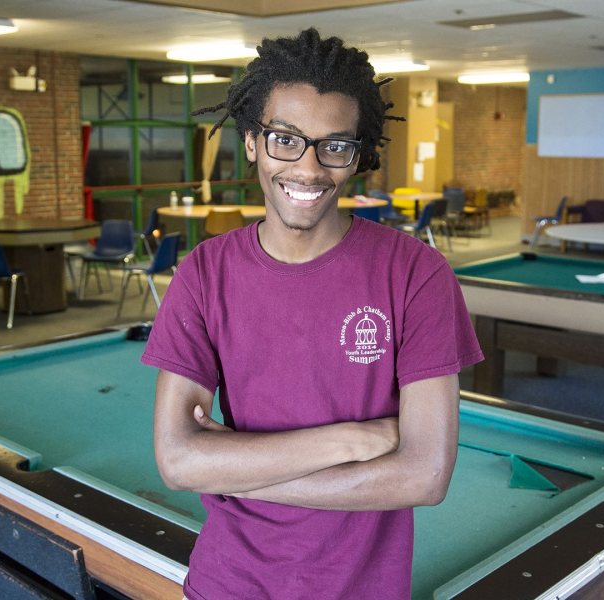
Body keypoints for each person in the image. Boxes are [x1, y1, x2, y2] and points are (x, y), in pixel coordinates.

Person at [142, 28, 482, 600]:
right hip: (226, 584)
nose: (308, 168)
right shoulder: (202, 274)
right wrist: (352, 440)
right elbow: (178, 461)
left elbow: (424, 475)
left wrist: (234, 473)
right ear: (251, 141)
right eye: (285, 139)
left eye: (334, 146)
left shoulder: (418, 274)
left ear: (357, 155)